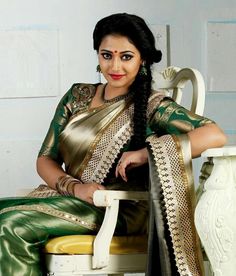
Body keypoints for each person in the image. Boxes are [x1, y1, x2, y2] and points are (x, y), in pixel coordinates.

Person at [0, 13, 227, 276]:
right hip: (71, 198)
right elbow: (45, 159)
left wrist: (146, 153)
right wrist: (75, 187)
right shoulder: (77, 96)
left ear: (142, 58)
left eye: (126, 56)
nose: (115, 66)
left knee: (9, 225)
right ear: (98, 55)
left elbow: (214, 134)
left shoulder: (152, 106)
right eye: (107, 55)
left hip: (119, 209)